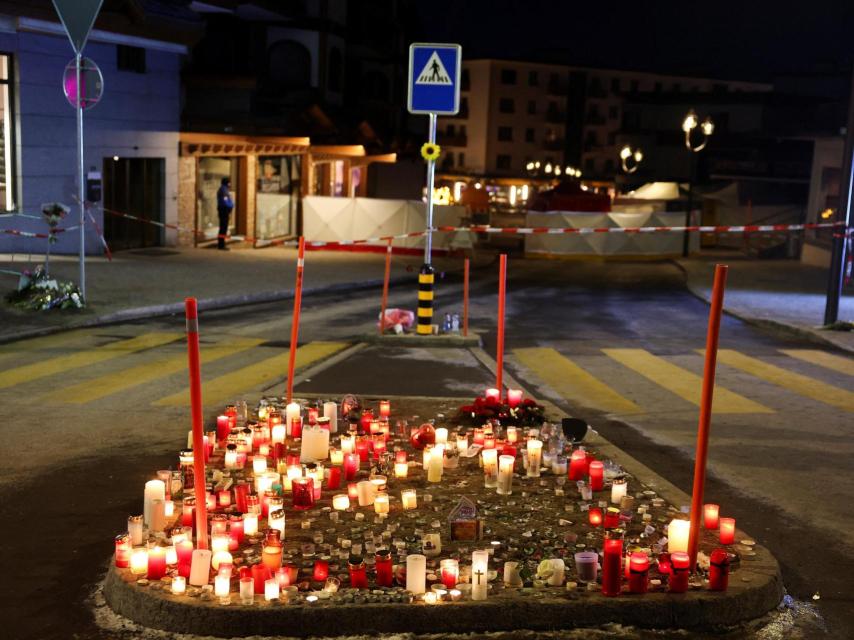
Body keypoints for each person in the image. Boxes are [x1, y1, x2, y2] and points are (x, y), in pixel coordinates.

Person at [216, 177, 234, 250]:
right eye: (229, 182)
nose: (230, 184)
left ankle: (222, 244)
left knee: (223, 227)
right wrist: (231, 205)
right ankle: (221, 245)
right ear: (227, 183)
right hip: (224, 210)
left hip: (224, 210)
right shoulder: (223, 190)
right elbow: (225, 201)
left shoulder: (224, 189)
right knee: (223, 227)